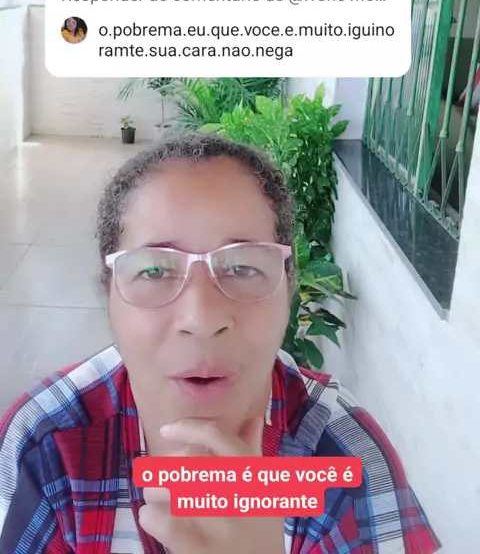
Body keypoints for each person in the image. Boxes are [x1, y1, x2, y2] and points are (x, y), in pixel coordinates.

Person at [0, 134, 441, 554]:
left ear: (288, 291)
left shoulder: (347, 461)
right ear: (109, 294)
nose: (201, 318)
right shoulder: (44, 442)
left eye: (243, 267)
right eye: (154, 270)